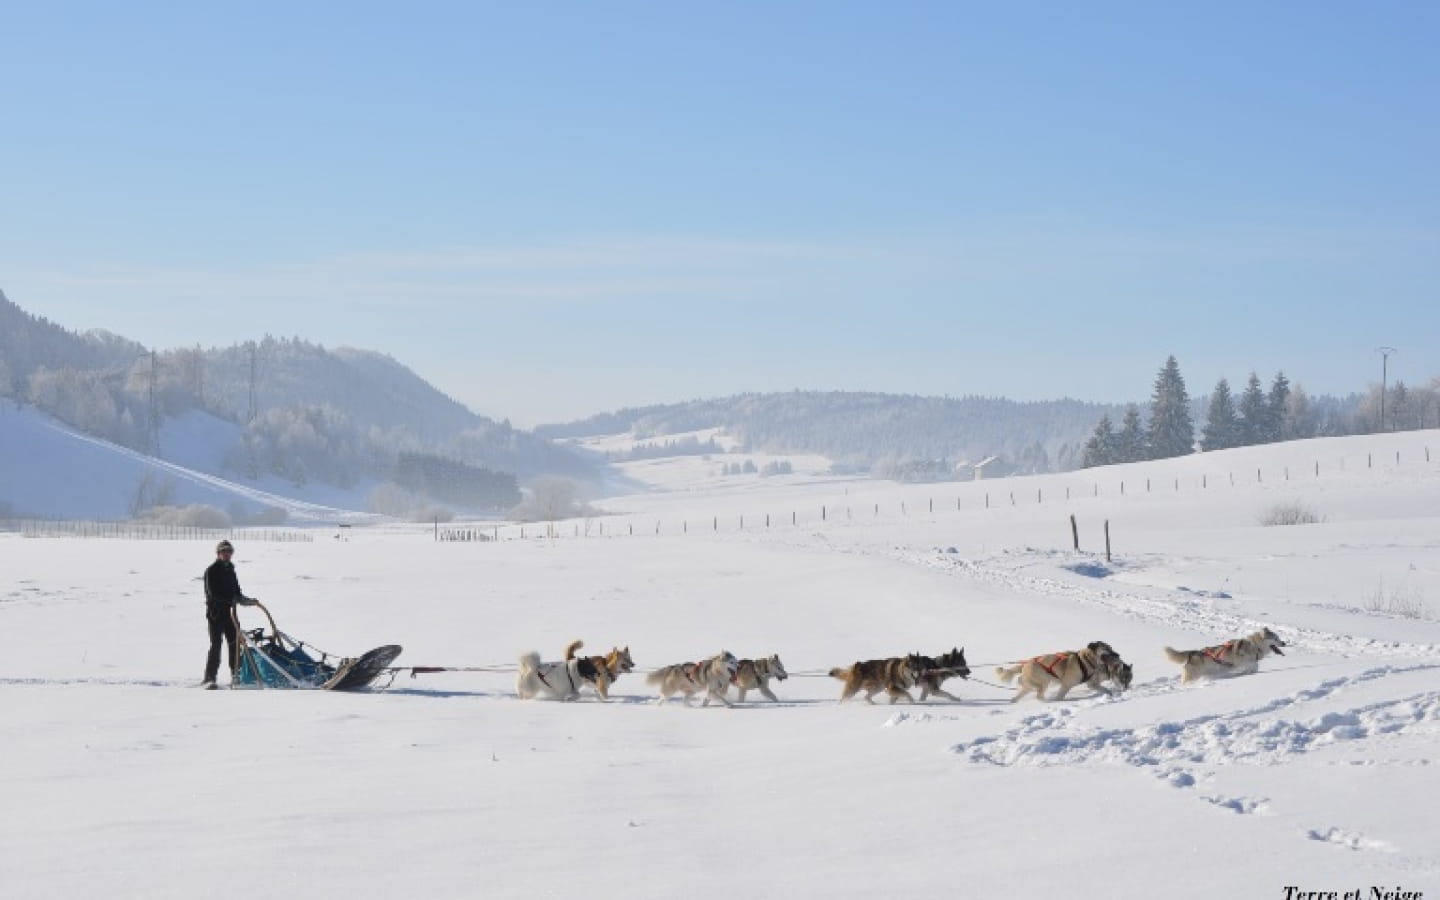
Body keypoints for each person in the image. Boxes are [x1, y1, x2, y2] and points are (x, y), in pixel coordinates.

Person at [202, 539, 257, 689]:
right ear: (218, 553)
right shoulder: (212, 570)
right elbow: (212, 594)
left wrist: (247, 601)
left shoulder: (231, 570)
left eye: (229, 552)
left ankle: (236, 675)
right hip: (215, 614)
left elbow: (237, 592)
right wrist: (231, 599)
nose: (226, 554)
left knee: (234, 644)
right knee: (216, 645)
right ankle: (209, 678)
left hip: (230, 614)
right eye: (223, 552)